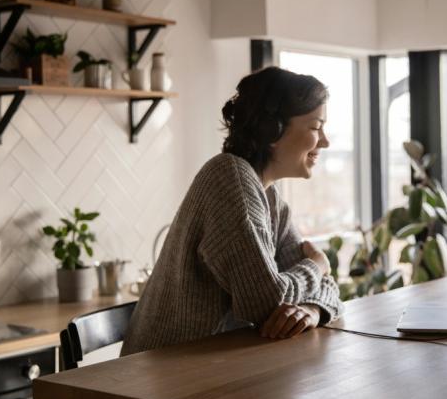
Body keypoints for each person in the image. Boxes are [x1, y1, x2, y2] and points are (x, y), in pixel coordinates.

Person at [121, 66, 345, 355]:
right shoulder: (229, 179)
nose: (325, 141)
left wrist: (313, 310)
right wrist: (317, 265)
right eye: (316, 127)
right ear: (272, 130)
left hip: (206, 369)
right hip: (154, 379)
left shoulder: (271, 198)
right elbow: (267, 303)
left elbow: (326, 290)